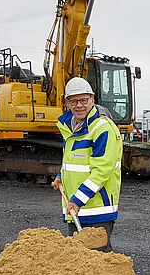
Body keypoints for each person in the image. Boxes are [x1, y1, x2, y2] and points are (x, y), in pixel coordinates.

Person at [51, 76, 122, 252]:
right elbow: (73, 161)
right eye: (73, 101)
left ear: (92, 100)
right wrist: (61, 176)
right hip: (76, 208)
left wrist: (77, 200)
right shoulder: (70, 128)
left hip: (96, 209)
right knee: (77, 259)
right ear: (67, 103)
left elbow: (101, 171)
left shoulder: (102, 128)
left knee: (98, 262)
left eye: (83, 100)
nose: (79, 105)